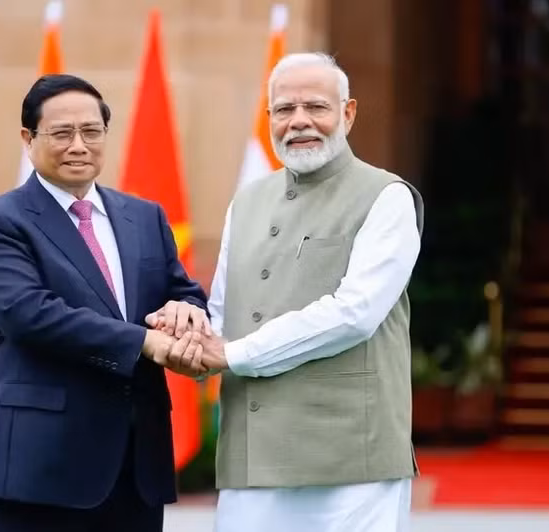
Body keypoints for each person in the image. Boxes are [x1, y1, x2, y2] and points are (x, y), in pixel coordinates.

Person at [161, 52, 425, 531]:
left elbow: (354, 314)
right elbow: (223, 309)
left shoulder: (388, 197)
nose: (299, 121)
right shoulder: (246, 202)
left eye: (316, 107)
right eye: (284, 109)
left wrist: (232, 354)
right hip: (251, 456)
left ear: (347, 113)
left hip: (350, 460)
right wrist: (187, 340)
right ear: (269, 119)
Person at [0, 74, 209, 532]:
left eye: (91, 132)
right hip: (40, 470)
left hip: (136, 467)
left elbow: (183, 290)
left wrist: (187, 312)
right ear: (28, 139)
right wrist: (146, 343)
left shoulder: (144, 216)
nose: (79, 145)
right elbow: (29, 314)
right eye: (61, 133)